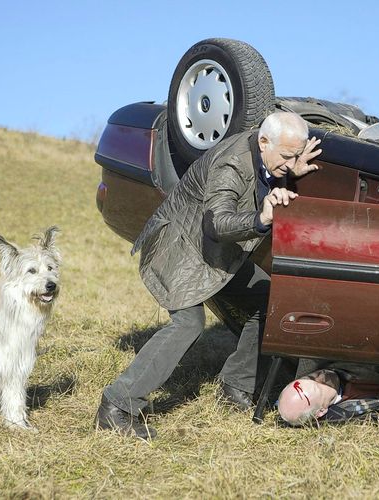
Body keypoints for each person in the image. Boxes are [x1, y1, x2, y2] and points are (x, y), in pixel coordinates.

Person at [95, 112, 323, 439]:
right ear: (263, 141)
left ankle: (235, 387)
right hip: (181, 251)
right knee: (188, 323)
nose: (290, 162)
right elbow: (217, 222)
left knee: (269, 303)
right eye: (286, 156)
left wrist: (291, 174)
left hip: (215, 255)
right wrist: (261, 218)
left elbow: (265, 180)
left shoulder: (267, 157)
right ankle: (117, 404)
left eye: (295, 156)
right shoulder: (232, 164)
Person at [277, 362, 379, 427]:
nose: (320, 375)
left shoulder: (313, 360)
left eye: (310, 377)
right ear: (321, 411)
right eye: (318, 387)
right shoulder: (343, 414)